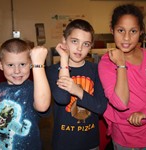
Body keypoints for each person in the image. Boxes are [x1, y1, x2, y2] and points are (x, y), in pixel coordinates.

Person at [98, 4, 146, 150]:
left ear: (141, 32)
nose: (126, 37)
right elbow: (120, 103)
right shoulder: (107, 62)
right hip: (124, 137)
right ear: (112, 30)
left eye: (133, 31)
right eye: (120, 30)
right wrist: (121, 64)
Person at [46, 19, 107, 150]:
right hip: (63, 143)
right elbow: (62, 98)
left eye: (86, 44)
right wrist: (63, 59)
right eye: (74, 41)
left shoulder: (97, 70)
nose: (79, 48)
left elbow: (100, 107)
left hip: (90, 142)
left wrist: (77, 90)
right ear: (64, 40)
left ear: (91, 47)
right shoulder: (52, 71)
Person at [0, 38, 51, 150]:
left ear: (30, 64)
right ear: (1, 66)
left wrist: (38, 64)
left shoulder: (34, 89)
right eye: (10, 65)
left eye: (23, 64)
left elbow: (42, 106)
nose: (17, 71)